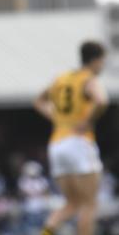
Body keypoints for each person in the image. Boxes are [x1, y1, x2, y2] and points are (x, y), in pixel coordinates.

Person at [34, 40, 109, 235]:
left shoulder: (62, 78)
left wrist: (56, 118)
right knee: (90, 204)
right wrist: (87, 121)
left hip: (57, 144)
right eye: (102, 62)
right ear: (95, 60)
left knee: (72, 204)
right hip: (78, 142)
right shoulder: (88, 78)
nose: (102, 66)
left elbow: (38, 101)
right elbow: (101, 101)